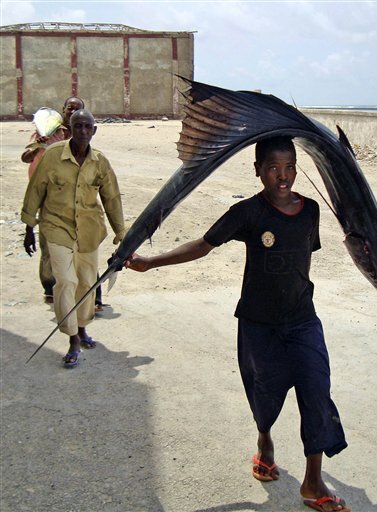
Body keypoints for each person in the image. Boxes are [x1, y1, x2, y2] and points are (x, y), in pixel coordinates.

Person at [125, 136, 350, 511]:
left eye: (290, 167)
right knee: (265, 393)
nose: (283, 176)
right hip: (258, 324)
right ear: (258, 170)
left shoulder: (311, 210)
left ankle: (313, 482)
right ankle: (265, 441)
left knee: (317, 391)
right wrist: (152, 262)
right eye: (274, 168)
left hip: (302, 321)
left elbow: (303, 258)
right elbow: (203, 244)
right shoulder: (247, 213)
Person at [21, 109, 126, 368]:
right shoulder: (53, 156)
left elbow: (111, 198)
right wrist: (29, 227)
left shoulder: (100, 162)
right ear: (69, 129)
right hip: (57, 227)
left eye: (86, 127)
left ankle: (82, 327)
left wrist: (121, 234)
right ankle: (72, 339)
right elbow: (35, 190)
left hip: (89, 230)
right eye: (77, 126)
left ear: (94, 131)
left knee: (87, 283)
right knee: (66, 281)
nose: (82, 131)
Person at [21, 96, 105, 310]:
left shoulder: (80, 132)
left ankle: (93, 296)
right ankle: (50, 289)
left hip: (75, 196)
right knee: (50, 245)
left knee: (84, 245)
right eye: (69, 108)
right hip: (48, 195)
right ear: (63, 110)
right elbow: (26, 156)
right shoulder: (47, 129)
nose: (72, 112)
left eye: (76, 109)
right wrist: (40, 144)